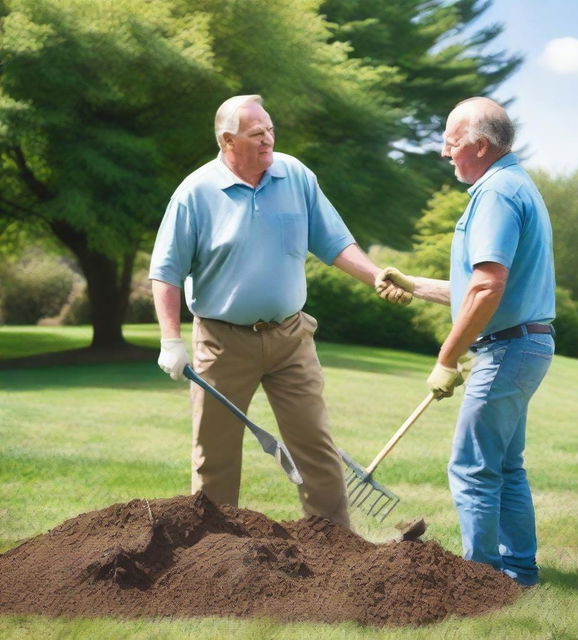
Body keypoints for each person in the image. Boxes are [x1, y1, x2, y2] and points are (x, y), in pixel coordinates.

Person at [149, 94, 410, 530]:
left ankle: (334, 547)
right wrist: (170, 340)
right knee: (215, 453)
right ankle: (212, 555)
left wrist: (376, 277)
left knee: (315, 445)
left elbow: (334, 241)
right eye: (257, 133)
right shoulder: (195, 193)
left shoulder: (295, 175)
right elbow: (166, 272)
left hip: (291, 337)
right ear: (228, 140)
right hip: (222, 340)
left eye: (270, 129)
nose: (269, 138)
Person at [376, 97, 555, 586]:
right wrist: (414, 283)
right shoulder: (515, 184)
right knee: (504, 466)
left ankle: (480, 583)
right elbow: (475, 287)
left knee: (473, 467)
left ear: (479, 144)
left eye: (451, 142)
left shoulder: (496, 193)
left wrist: (447, 358)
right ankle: (517, 572)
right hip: (524, 345)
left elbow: (487, 287)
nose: (444, 153)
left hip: (508, 349)